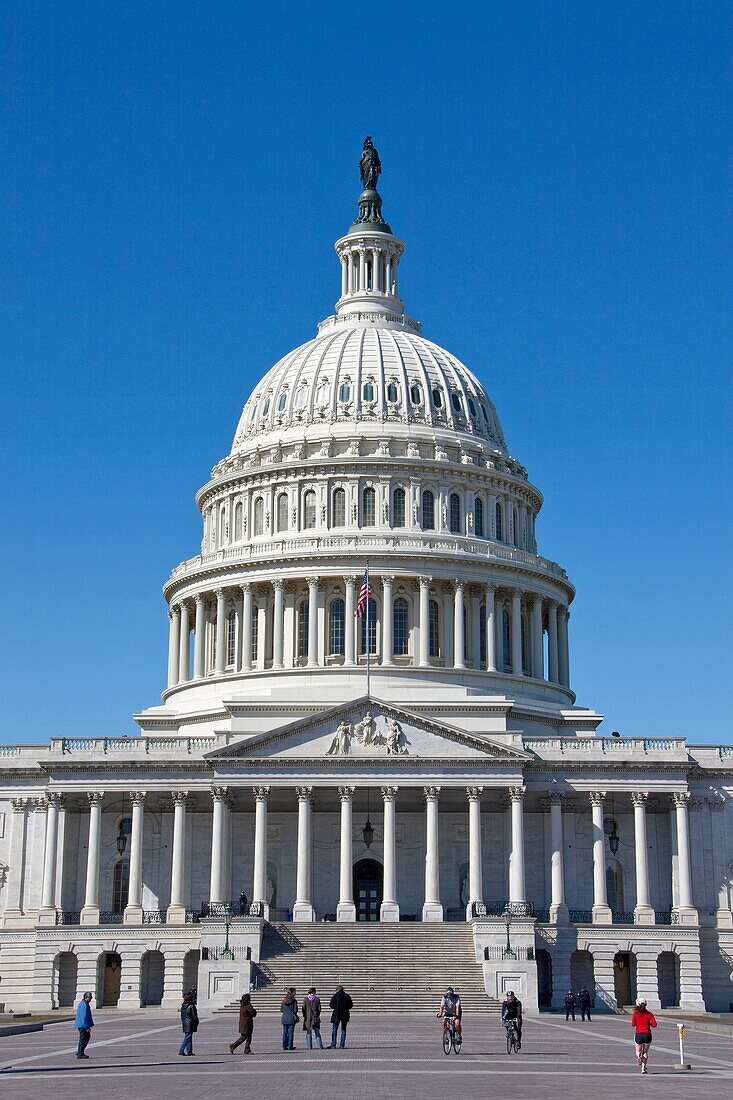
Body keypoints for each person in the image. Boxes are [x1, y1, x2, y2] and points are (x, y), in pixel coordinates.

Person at [631, 998, 657, 1074]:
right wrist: (650, 1022)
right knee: (645, 1052)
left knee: (638, 1051)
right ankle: (643, 1068)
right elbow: (654, 1025)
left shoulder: (635, 1014)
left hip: (639, 1034)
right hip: (647, 1035)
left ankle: (639, 1056)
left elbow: (633, 1024)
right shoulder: (649, 1014)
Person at [328, 983, 353, 1048]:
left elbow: (331, 1005)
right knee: (343, 1030)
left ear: (337, 990)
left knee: (334, 1029)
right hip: (344, 1015)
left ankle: (333, 1044)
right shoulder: (347, 996)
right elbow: (350, 1005)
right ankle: (342, 1045)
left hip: (336, 1015)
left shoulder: (335, 996)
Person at [74, 991, 94, 1059]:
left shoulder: (85, 1003)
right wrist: (86, 1027)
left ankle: (80, 1051)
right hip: (82, 1025)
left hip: (82, 1025)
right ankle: (80, 1053)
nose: (91, 999)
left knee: (85, 1038)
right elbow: (84, 1016)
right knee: (83, 1039)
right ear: (87, 997)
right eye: (90, 997)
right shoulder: (84, 1004)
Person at [179, 991, 198, 1056]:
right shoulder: (191, 1006)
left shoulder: (183, 1006)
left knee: (189, 1037)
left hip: (185, 1023)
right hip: (190, 1023)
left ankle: (189, 1051)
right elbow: (194, 1016)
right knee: (187, 1037)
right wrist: (196, 1022)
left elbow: (182, 1016)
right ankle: (181, 1050)